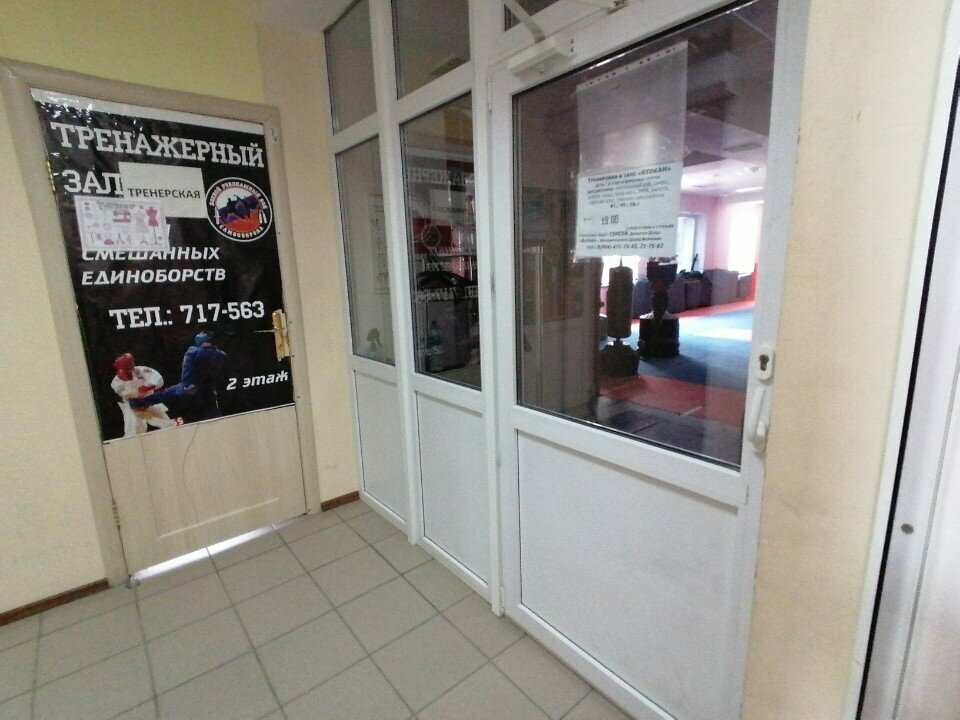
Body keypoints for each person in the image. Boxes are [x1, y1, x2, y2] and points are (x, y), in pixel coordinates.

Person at [130, 332, 227, 421]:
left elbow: (187, 372)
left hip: (189, 387)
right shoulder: (221, 354)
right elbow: (219, 374)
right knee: (212, 412)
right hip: (207, 389)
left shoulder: (193, 352)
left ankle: (136, 403)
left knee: (164, 394)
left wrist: (187, 387)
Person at [111, 353, 180, 437]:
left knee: (167, 423)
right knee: (133, 431)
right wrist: (137, 391)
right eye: (128, 363)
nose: (132, 364)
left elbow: (156, 377)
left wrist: (151, 385)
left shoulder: (141, 370)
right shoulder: (117, 381)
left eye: (132, 362)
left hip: (149, 402)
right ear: (123, 366)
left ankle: (174, 436)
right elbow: (123, 393)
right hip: (134, 408)